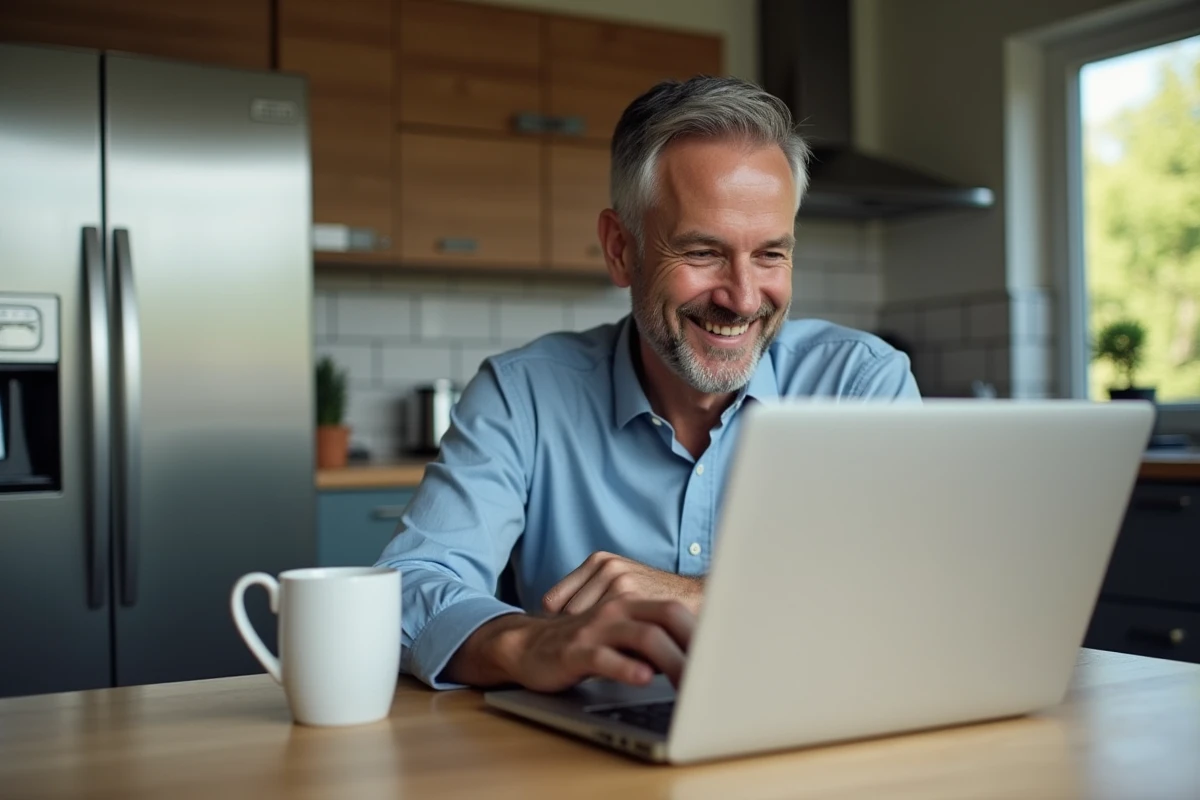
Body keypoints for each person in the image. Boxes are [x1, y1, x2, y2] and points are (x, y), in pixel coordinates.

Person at [376, 75, 920, 692]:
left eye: (770, 254)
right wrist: (528, 643)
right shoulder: (522, 396)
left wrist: (703, 596)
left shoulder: (859, 384)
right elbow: (409, 588)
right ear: (620, 250)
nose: (743, 298)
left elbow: (920, 584)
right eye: (702, 252)